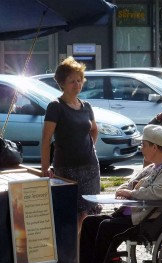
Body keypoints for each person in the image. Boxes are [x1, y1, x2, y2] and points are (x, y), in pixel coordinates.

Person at [66, 124, 162, 263]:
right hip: (131, 214)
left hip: (147, 220)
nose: (141, 147)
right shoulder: (155, 165)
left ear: (154, 147)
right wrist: (124, 190)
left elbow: (160, 192)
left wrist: (132, 193)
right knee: (89, 222)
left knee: (106, 228)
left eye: (143, 144)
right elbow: (131, 182)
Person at [41, 56, 101, 234]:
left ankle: (82, 253)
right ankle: (72, 254)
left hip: (90, 168)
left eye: (79, 80)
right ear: (62, 83)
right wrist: (45, 167)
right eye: (72, 81)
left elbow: (94, 130)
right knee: (69, 215)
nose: (77, 84)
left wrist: (90, 148)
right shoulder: (55, 107)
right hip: (66, 169)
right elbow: (46, 140)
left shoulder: (86, 106)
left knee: (86, 214)